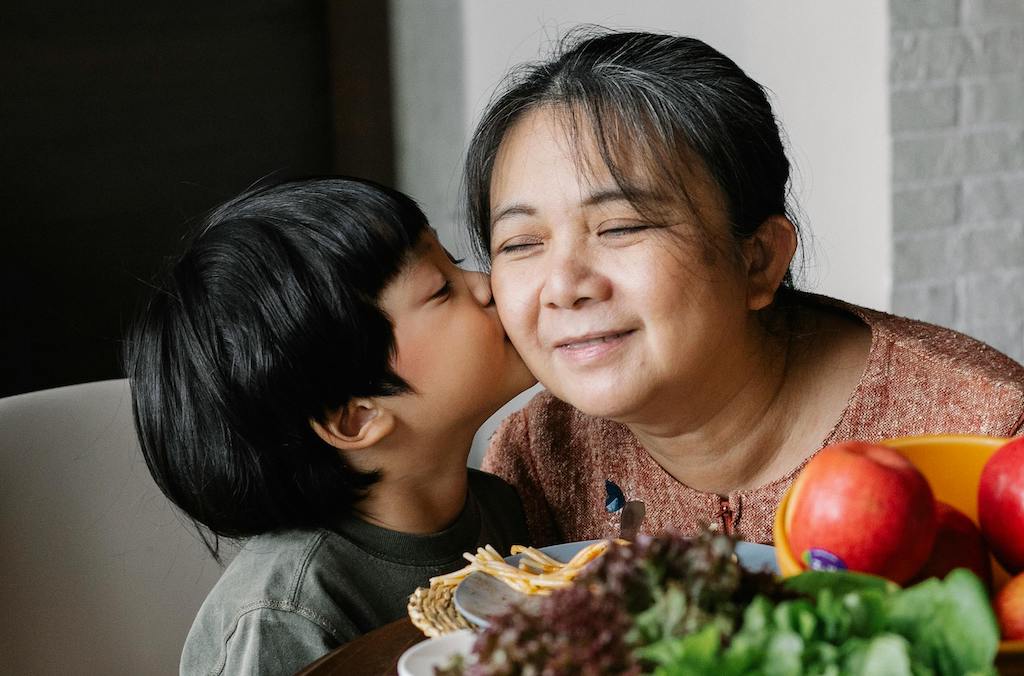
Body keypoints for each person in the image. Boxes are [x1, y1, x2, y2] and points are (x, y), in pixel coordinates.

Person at [462, 30, 1024, 548]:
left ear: (758, 260)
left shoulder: (988, 432)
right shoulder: (537, 454)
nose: (563, 287)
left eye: (621, 228)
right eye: (521, 243)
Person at [125, 177, 535, 674]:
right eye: (441, 288)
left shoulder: (502, 509)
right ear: (356, 417)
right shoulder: (289, 614)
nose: (487, 284)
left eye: (455, 260)